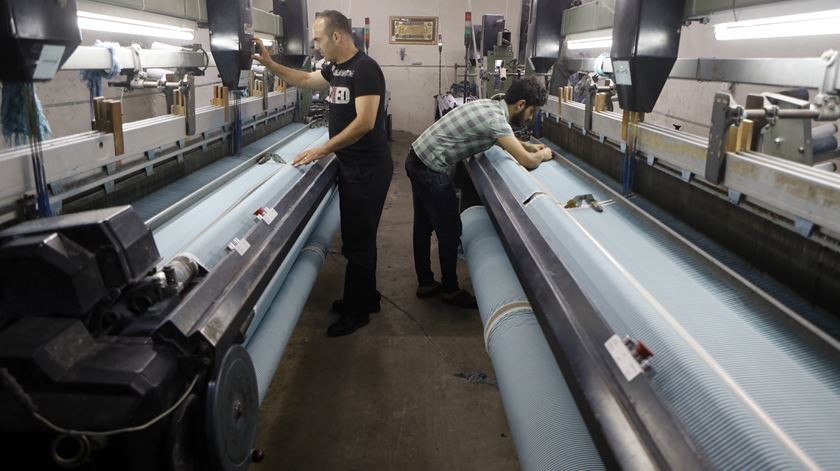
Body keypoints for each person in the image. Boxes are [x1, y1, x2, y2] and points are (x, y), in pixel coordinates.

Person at [253, 10, 392, 337]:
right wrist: (270, 64)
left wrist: (322, 149)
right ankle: (366, 298)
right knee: (358, 236)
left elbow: (365, 122)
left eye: (318, 39)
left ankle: (358, 312)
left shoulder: (365, 69)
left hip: (368, 167)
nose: (316, 46)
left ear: (338, 37)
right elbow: (303, 79)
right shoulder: (336, 68)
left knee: (359, 240)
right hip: (351, 164)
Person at [406, 77, 552, 307]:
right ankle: (450, 290)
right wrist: (542, 155)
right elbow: (526, 162)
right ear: (521, 104)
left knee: (423, 227)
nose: (531, 118)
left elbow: (502, 138)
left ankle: (425, 282)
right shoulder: (497, 120)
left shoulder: (491, 106)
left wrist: (527, 144)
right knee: (450, 231)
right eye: (532, 112)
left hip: (417, 157)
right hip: (430, 168)